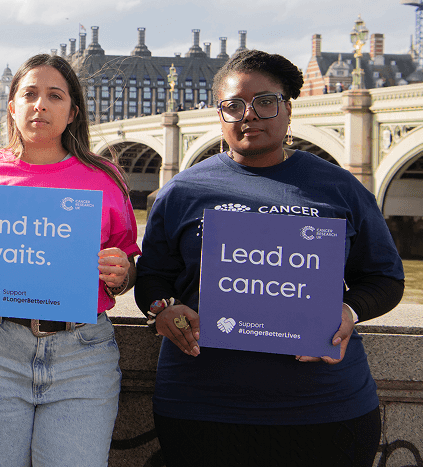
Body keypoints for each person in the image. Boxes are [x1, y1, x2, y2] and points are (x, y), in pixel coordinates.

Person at [135, 49, 404, 467]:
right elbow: (152, 278)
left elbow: (386, 279)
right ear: (219, 115)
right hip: (202, 405)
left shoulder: (339, 188)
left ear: (288, 109)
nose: (249, 115)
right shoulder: (182, 192)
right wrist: (165, 309)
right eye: (234, 105)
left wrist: (349, 311)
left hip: (326, 405)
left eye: (265, 102)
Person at [0, 53, 139, 467]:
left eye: (54, 96)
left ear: (72, 111)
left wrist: (122, 272)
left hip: (82, 355)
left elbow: (128, 266)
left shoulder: (105, 177)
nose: (40, 105)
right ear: (12, 107)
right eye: (29, 94)